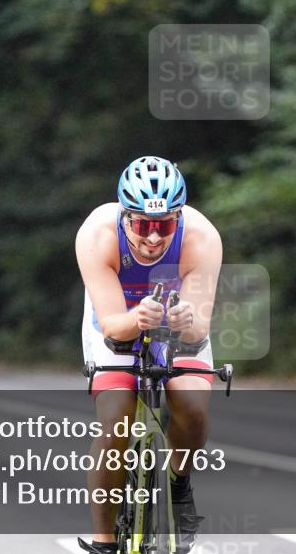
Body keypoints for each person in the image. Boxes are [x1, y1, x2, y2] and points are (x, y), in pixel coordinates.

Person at [75, 156, 222, 554]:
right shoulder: (98, 234)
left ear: (180, 218)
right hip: (118, 321)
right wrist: (137, 317)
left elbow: (197, 329)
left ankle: (179, 482)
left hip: (174, 325)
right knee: (115, 422)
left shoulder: (202, 238)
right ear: (125, 218)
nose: (154, 237)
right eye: (143, 225)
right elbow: (111, 326)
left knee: (192, 405)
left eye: (165, 225)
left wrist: (184, 318)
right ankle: (104, 540)